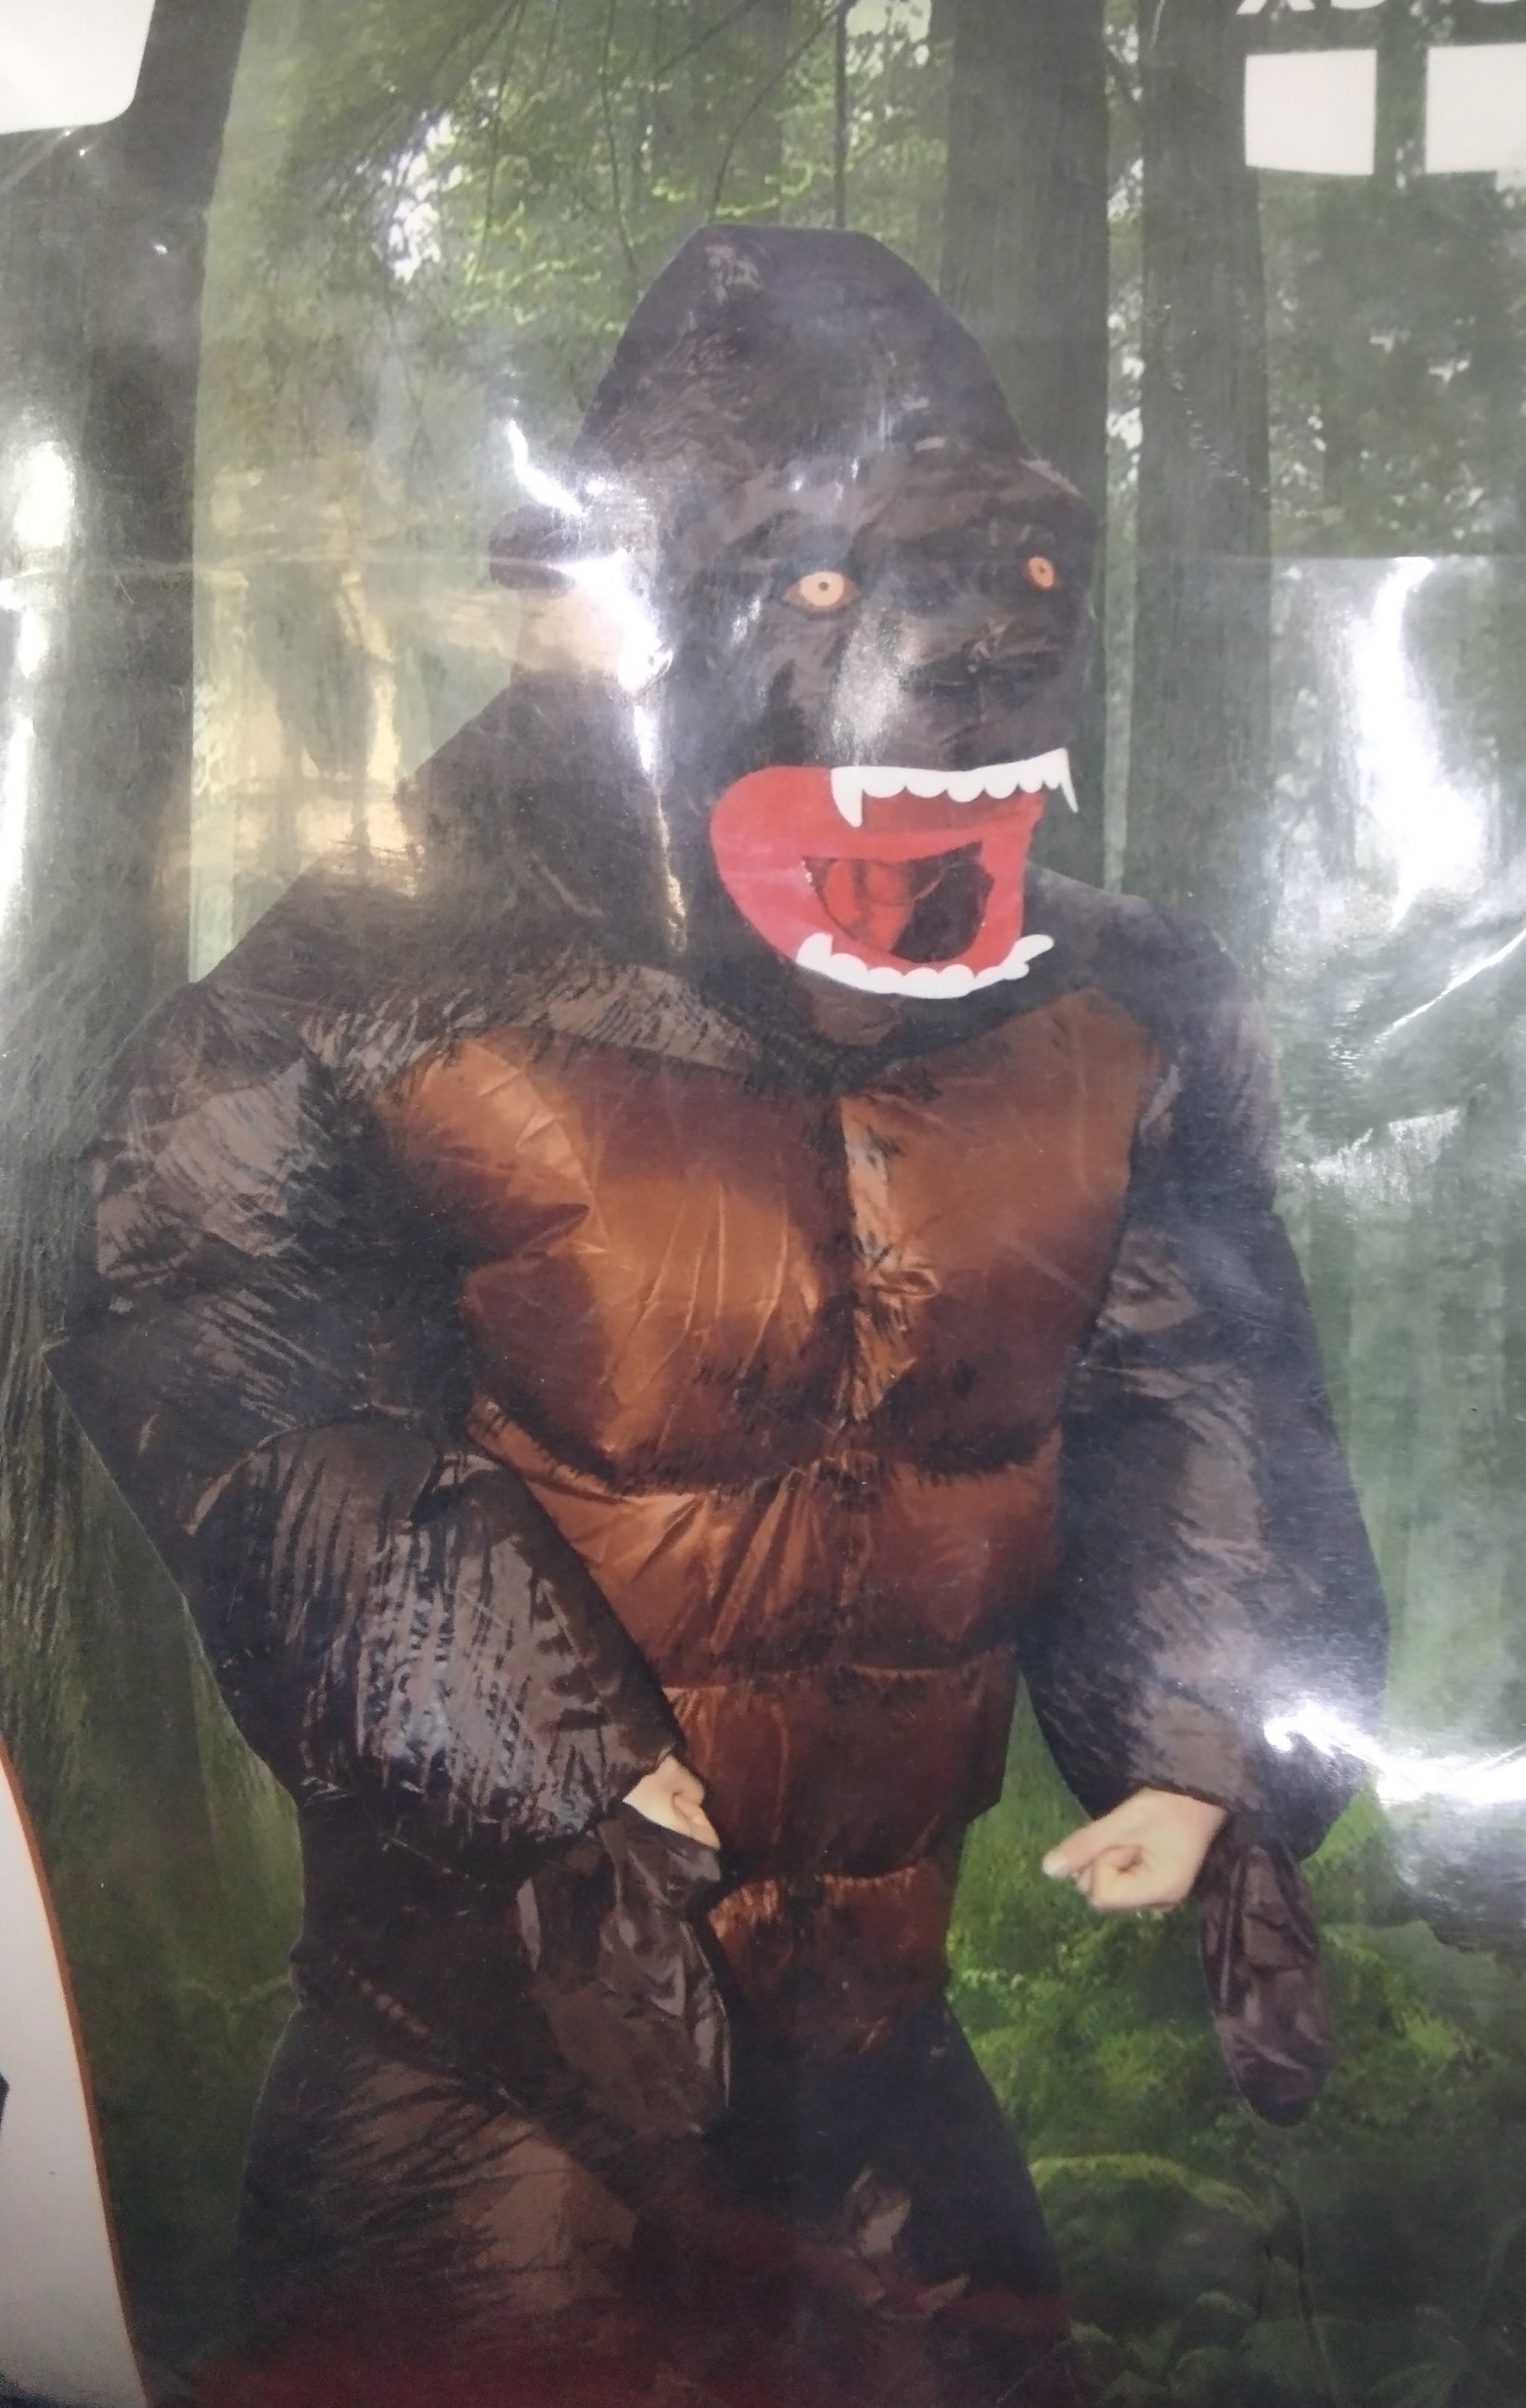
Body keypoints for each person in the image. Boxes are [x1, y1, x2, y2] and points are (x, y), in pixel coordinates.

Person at [52, 225, 1385, 2408]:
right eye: (826, 581)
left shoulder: (1113, 1005)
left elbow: (1195, 1373)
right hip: (488, 2018)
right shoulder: (373, 989)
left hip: (873, 2011)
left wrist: (1207, 1738)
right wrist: (529, 1731)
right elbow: (225, 1349)